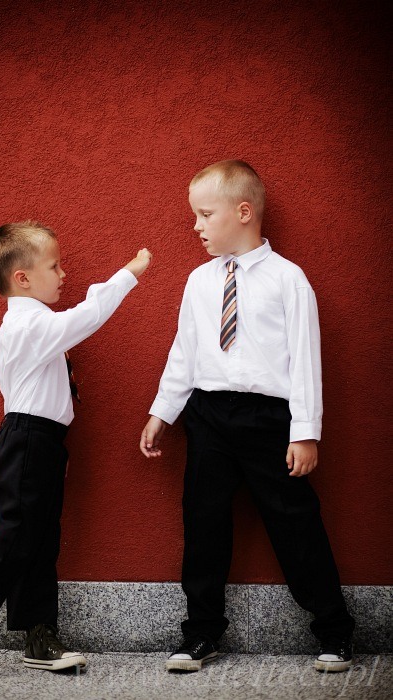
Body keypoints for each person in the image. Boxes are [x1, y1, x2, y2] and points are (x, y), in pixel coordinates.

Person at [140, 160, 355, 673]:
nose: (196, 226)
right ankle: (201, 633)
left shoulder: (288, 280)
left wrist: (305, 432)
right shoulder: (198, 281)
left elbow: (305, 359)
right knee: (204, 523)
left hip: (269, 419)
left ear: (243, 212)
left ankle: (335, 630)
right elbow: (183, 351)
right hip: (208, 414)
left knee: (294, 522)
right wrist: (162, 411)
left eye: (204, 214)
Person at [0, 221, 152, 676]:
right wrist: (129, 273)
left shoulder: (35, 323)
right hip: (26, 440)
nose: (64, 273)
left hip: (42, 442)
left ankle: (38, 636)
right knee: (18, 540)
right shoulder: (29, 325)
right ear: (22, 278)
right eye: (55, 265)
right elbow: (86, 318)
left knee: (39, 543)